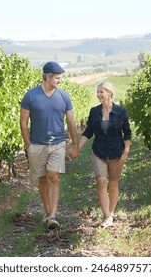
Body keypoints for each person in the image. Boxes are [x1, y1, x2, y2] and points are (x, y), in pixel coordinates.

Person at [20, 61, 79, 229]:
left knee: (53, 177)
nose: (60, 81)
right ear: (47, 77)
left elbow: (72, 122)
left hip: (58, 144)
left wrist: (75, 146)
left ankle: (53, 215)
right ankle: (47, 213)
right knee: (43, 180)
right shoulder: (30, 96)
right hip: (37, 145)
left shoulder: (64, 96)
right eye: (57, 78)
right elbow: (23, 123)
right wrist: (28, 145)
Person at [75, 81, 132, 228]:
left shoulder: (121, 111)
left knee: (113, 183)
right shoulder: (94, 111)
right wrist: (77, 148)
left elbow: (127, 133)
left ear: (110, 93)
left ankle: (111, 213)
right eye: (98, 92)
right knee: (101, 181)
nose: (98, 94)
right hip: (99, 152)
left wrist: (126, 152)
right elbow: (88, 132)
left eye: (101, 91)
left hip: (116, 153)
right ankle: (106, 216)